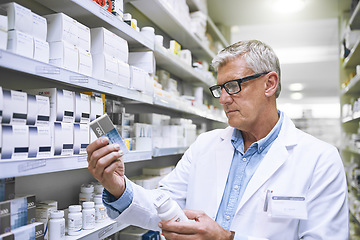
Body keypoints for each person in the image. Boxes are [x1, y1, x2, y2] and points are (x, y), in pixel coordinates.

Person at [86, 40, 349, 240]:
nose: (223, 99)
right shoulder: (205, 145)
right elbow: (164, 206)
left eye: (233, 86)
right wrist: (118, 186)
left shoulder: (320, 159)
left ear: (270, 84)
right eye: (219, 89)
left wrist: (228, 238)